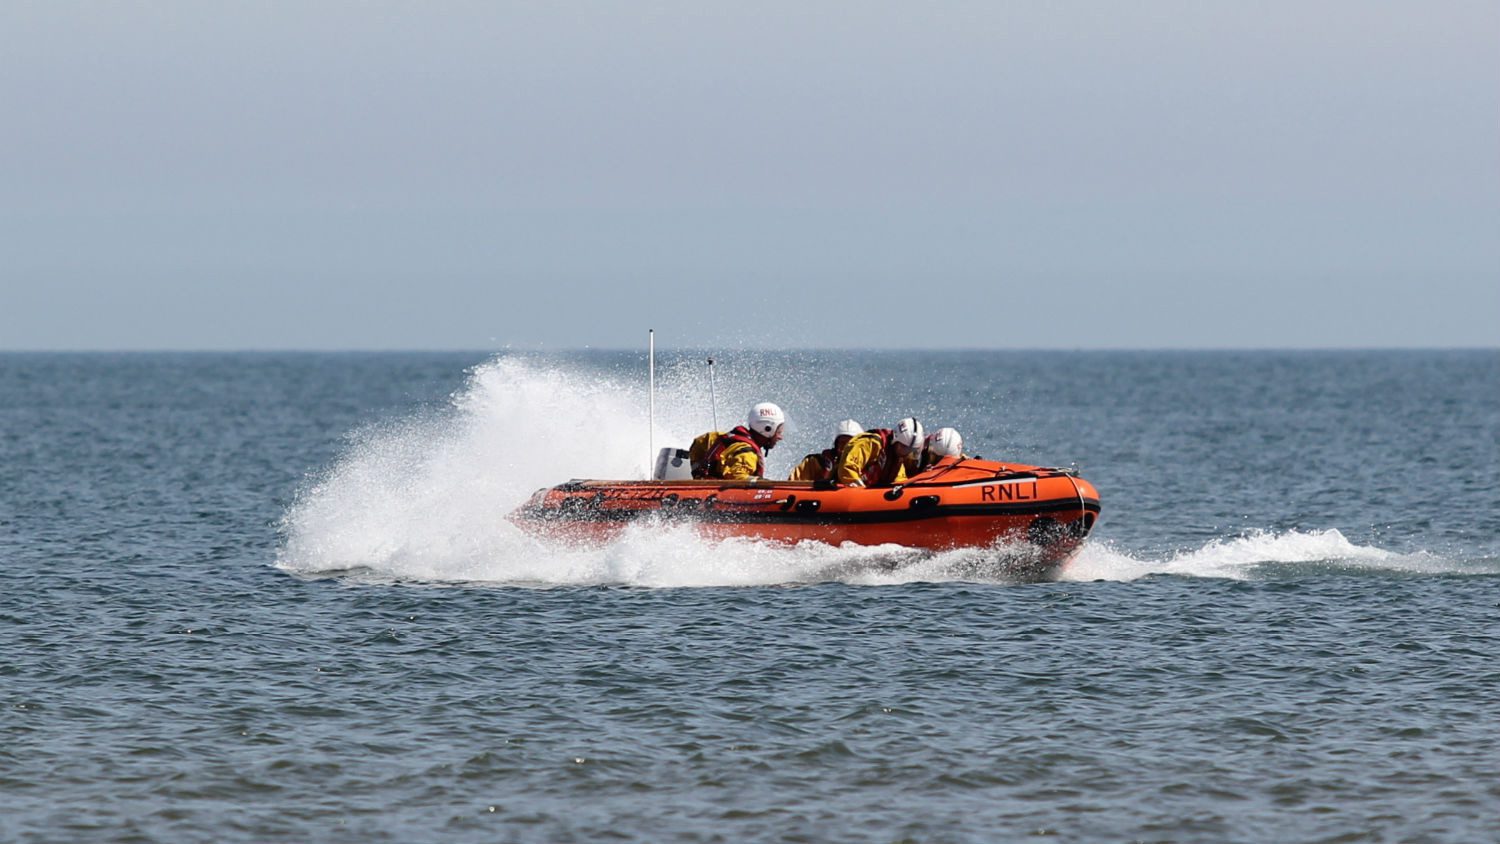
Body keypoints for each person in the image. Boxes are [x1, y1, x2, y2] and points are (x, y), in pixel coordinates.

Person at [688, 402, 786, 480]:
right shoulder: (747, 455)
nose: (780, 437)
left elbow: (701, 441)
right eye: (779, 431)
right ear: (767, 429)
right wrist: (762, 483)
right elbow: (736, 478)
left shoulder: (725, 438)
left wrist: (697, 467)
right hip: (715, 497)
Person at [835, 417, 924, 487]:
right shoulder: (871, 443)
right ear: (895, 440)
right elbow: (848, 468)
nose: (906, 452)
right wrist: (861, 491)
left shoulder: (897, 460)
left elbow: (899, 481)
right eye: (904, 447)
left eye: (910, 450)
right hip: (845, 490)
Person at [788, 419, 863, 482]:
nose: (846, 449)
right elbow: (793, 484)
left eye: (851, 445)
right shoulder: (814, 464)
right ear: (836, 445)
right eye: (842, 443)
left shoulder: (867, 469)